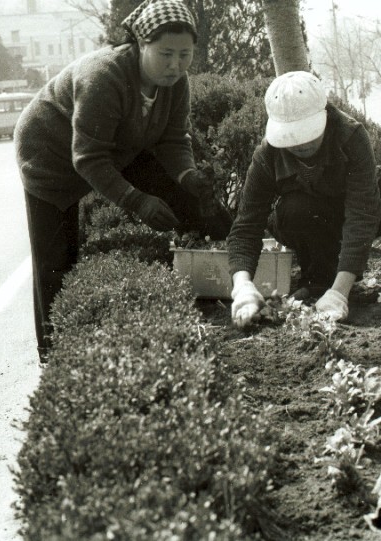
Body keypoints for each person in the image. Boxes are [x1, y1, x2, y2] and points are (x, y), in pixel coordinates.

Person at [15, 0, 231, 363]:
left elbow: (174, 139)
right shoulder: (103, 76)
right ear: (140, 44)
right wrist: (137, 201)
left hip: (119, 145)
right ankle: (54, 357)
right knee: (57, 259)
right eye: (165, 54)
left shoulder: (175, 83)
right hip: (48, 154)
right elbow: (88, 158)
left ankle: (222, 281)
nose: (176, 65)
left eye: (185, 55)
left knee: (190, 201)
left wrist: (186, 175)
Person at [226, 71, 381, 327]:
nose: (300, 143)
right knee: (295, 209)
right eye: (291, 135)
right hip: (310, 218)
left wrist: (341, 292)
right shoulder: (267, 155)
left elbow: (362, 215)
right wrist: (243, 287)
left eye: (307, 132)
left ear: (323, 116)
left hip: (363, 206)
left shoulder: (350, 135)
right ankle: (319, 283)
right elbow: (246, 226)